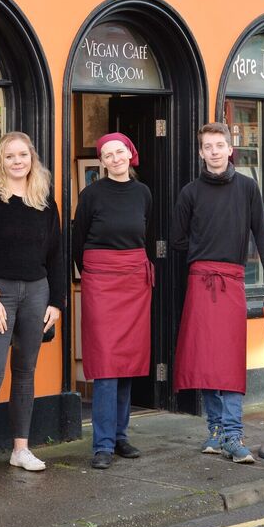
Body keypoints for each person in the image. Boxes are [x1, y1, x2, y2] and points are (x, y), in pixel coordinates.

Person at [171, 123, 264, 464]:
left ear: (229, 149)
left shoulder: (248, 188)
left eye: (219, 145)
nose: (214, 151)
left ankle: (233, 433)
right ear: (201, 152)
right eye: (207, 146)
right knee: (206, 360)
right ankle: (215, 432)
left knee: (229, 358)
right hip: (201, 280)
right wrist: (204, 249)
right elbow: (177, 240)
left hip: (232, 281)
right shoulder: (189, 193)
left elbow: (262, 236)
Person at [0, 132, 64, 484]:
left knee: (25, 373)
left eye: (23, 155)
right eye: (10, 156)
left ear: (32, 158)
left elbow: (56, 256)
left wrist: (57, 303)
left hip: (37, 294)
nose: (17, 161)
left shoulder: (44, 202)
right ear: (1, 162)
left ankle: (20, 450)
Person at [72, 132, 153, 470]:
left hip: (134, 281)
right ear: (102, 162)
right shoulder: (90, 194)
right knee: (106, 364)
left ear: (131, 154)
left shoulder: (143, 193)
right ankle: (102, 445)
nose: (115, 158)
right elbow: (77, 242)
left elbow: (144, 232)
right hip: (101, 282)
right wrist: (92, 274)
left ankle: (120, 437)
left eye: (120, 152)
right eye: (107, 154)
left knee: (128, 361)